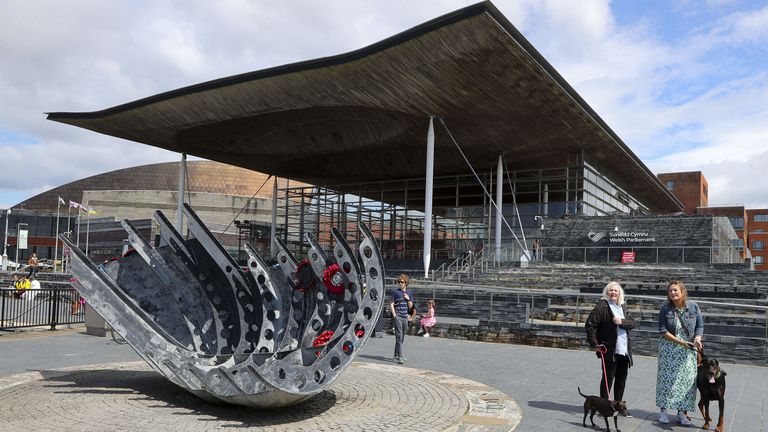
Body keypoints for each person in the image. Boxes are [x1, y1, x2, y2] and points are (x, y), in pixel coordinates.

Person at [655, 280, 703, 425]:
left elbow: (699, 326)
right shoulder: (665, 309)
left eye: (675, 290)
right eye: (670, 291)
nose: (673, 293)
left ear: (682, 292)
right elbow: (662, 330)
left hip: (688, 350)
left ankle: (681, 413)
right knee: (666, 380)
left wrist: (698, 338)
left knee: (686, 381)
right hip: (669, 348)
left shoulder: (693, 307)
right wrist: (680, 342)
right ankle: (663, 412)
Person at [585, 281, 635, 405]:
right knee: (608, 378)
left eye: (615, 290)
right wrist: (595, 344)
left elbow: (632, 323)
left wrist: (621, 322)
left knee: (621, 379)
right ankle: (604, 405)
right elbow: (590, 324)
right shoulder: (602, 306)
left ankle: (618, 405)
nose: (613, 292)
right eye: (610, 290)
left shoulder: (623, 307)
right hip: (609, 349)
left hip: (624, 349)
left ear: (619, 293)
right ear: (607, 292)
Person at [389, 274, 413, 364]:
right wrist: (394, 314)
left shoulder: (409, 292)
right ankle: (400, 356)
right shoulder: (396, 292)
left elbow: (411, 306)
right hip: (398, 316)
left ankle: (395, 355)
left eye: (401, 282)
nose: (400, 284)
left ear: (406, 283)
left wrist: (408, 299)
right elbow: (391, 303)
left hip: (405, 317)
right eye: (398, 282)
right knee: (399, 338)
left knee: (401, 338)